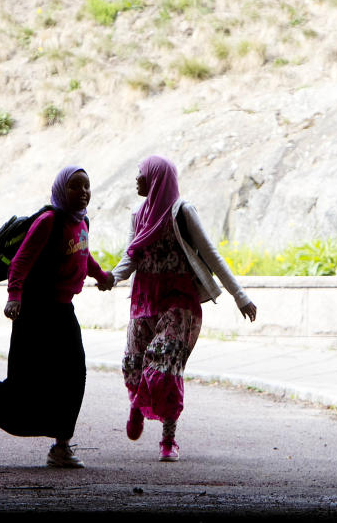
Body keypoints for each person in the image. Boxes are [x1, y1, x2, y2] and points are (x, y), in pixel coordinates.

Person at [0, 166, 114, 468]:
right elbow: (20, 262)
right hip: (34, 313)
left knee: (73, 377)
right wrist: (14, 296)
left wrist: (100, 275)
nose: (83, 192)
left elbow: (83, 254)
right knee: (22, 385)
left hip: (63, 311)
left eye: (87, 186)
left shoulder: (80, 223)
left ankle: (61, 447)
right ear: (60, 190)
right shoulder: (48, 221)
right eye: (75, 186)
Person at [107, 155, 257, 462]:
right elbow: (131, 255)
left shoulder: (182, 212)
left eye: (141, 174)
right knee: (133, 364)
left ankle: (168, 439)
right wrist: (111, 277)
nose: (137, 180)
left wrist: (240, 296)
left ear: (157, 178)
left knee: (166, 365)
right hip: (144, 300)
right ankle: (137, 402)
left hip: (178, 303)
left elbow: (211, 254)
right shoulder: (138, 215)